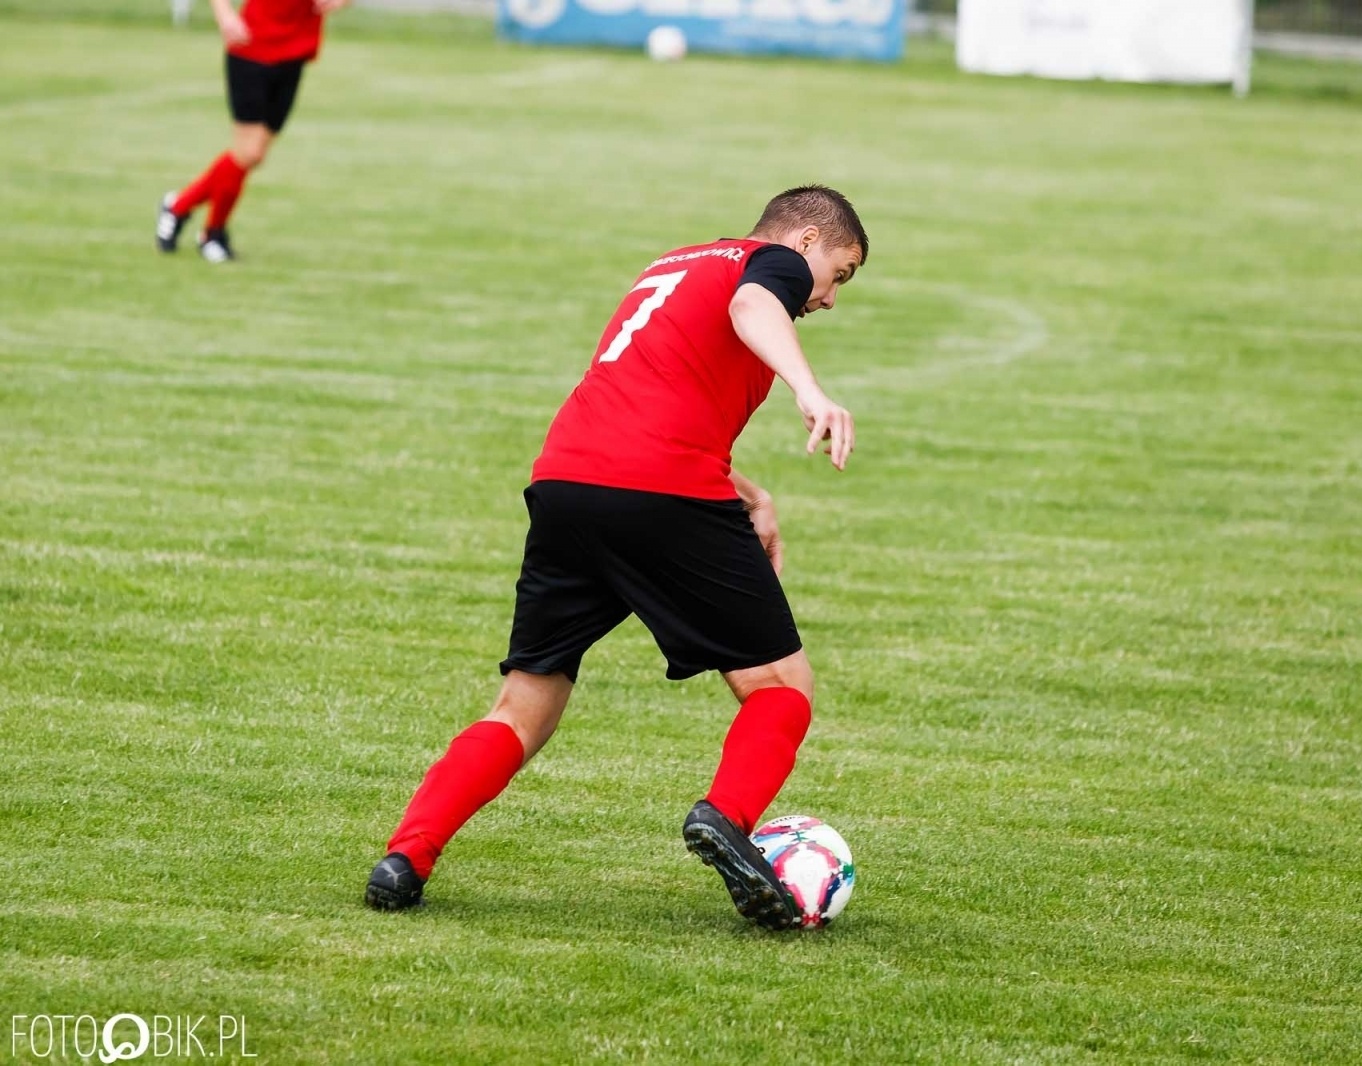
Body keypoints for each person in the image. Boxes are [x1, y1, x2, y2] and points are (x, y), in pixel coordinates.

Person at [365, 185, 868, 930]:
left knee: (526, 703)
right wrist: (810, 390)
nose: (828, 297)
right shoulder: (769, 264)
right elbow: (753, 307)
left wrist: (749, 492)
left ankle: (405, 857)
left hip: (567, 481)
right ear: (803, 242)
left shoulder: (675, 265)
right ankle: (724, 820)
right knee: (779, 683)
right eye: (839, 272)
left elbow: (642, 398)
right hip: (661, 490)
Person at [154, 0, 348, 263]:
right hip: (251, 46)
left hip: (294, 51)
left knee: (253, 155)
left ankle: (178, 207)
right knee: (249, 152)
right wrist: (224, 14)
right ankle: (212, 233)